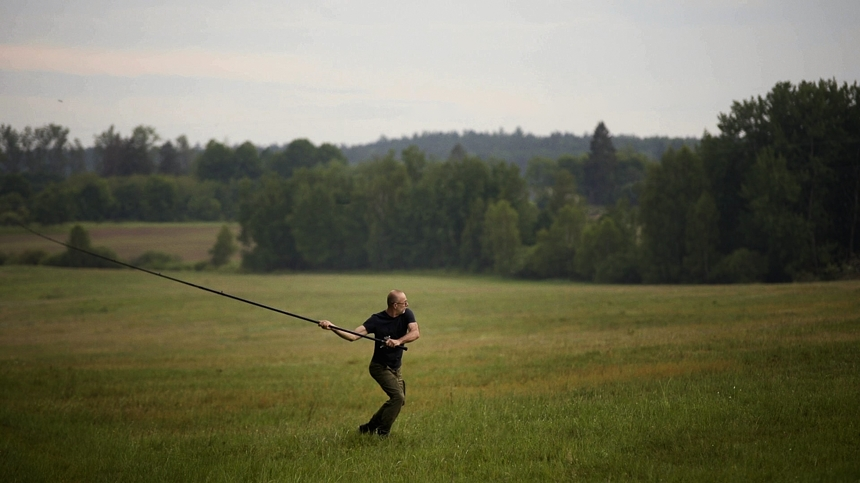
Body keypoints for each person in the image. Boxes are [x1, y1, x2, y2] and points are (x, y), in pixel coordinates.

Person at [318, 289, 420, 436]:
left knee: (398, 401)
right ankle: (382, 433)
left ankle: (369, 428)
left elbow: (415, 332)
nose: (407, 304)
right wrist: (332, 326)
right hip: (380, 367)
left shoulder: (407, 314)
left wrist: (398, 341)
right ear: (395, 305)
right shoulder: (376, 320)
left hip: (396, 367)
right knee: (398, 398)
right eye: (404, 302)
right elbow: (352, 336)